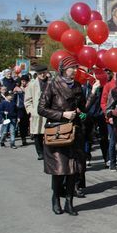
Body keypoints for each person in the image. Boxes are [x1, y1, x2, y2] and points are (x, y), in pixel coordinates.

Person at [38, 56, 89, 216]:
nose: (74, 71)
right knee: (59, 170)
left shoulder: (78, 86)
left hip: (74, 133)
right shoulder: (52, 85)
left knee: (73, 170)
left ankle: (69, 202)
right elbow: (41, 109)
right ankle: (56, 199)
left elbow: (83, 108)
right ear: (63, 69)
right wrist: (62, 114)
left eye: (75, 67)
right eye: (71, 68)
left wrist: (81, 113)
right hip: (58, 134)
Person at [25, 65, 49, 160]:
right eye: (40, 73)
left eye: (44, 73)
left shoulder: (51, 83)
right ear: (37, 74)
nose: (42, 75)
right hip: (37, 113)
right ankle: (40, 152)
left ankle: (48, 151)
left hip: (49, 112)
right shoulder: (32, 84)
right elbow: (27, 100)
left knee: (48, 132)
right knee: (37, 133)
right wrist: (31, 111)